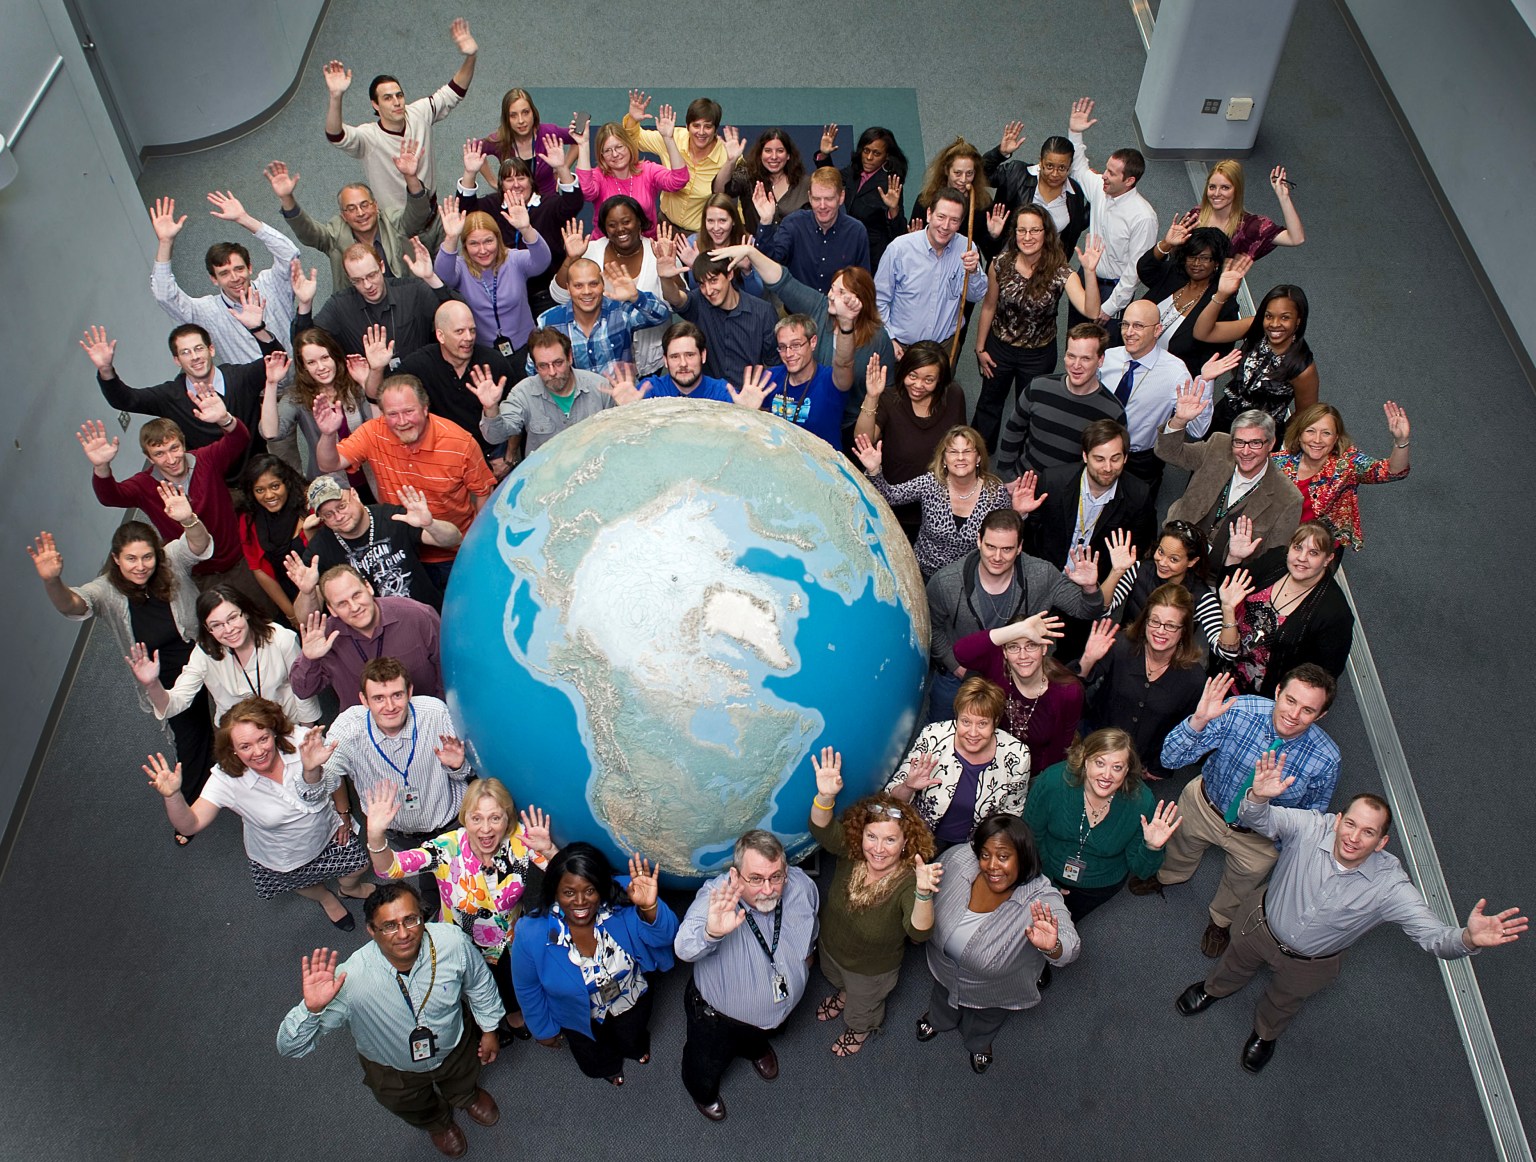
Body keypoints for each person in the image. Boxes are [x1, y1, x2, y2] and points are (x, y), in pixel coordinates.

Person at [1175, 766, 1525, 1074]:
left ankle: (1265, 1033)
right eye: (1351, 824)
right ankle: (1213, 990)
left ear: (1382, 842)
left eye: (1368, 833)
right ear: (1339, 820)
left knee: (1284, 1001)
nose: (1353, 838)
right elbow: (1259, 819)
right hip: (1259, 925)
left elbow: (1432, 936)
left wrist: (1467, 938)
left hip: (1312, 963)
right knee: (1233, 962)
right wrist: (1257, 798)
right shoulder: (1313, 827)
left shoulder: (1391, 885)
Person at [276, 882, 505, 1159]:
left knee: (464, 1074)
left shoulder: (451, 942)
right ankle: (437, 1122)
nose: (404, 934)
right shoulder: (351, 979)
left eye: (411, 919)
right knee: (412, 1104)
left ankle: (465, 1095)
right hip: (392, 1069)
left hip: (454, 1044)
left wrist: (490, 1029)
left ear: (422, 917)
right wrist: (311, 1010)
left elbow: (479, 984)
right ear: (371, 931)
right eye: (389, 925)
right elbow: (291, 1047)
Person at [30, 500, 214, 840]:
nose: (141, 566)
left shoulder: (170, 561)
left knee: (239, 705)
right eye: (131, 558)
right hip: (161, 674)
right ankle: (191, 804)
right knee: (191, 736)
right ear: (116, 559)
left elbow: (199, 546)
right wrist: (53, 582)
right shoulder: (107, 589)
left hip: (206, 650)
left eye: (147, 557)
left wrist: (189, 520)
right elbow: (74, 605)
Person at [1142, 668, 1342, 961]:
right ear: (1277, 693)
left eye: (1308, 709)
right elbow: (1170, 758)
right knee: (1179, 849)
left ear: (1321, 715)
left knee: (1240, 887)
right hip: (1205, 806)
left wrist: (1275, 848)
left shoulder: (1327, 759)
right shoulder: (1240, 710)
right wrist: (1198, 721)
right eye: (1290, 700)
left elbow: (1311, 815)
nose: (1294, 714)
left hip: (1258, 838)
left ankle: (1220, 920)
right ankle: (1169, 876)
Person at [364, 777, 558, 1046]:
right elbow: (390, 868)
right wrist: (376, 836)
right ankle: (485, 1023)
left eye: (495, 818)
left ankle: (512, 1013)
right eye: (476, 818)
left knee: (509, 982)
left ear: (507, 818)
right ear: (464, 817)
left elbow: (563, 877)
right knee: (468, 985)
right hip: (460, 940)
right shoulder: (447, 848)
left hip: (508, 942)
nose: (486, 829)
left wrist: (549, 850)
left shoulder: (520, 841)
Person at [144, 697, 371, 927]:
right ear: (232, 750)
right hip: (284, 853)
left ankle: (348, 889)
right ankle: (325, 898)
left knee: (359, 865)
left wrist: (343, 813)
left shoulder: (302, 740)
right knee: (304, 883)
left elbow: (334, 780)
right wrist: (173, 796)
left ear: (274, 732)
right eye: (245, 746)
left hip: (328, 830)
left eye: (263, 739)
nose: (259, 751)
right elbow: (189, 825)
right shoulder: (225, 779)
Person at [674, 830, 819, 1121]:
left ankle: (756, 1049)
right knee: (705, 1064)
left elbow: (810, 931)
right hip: (717, 1020)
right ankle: (704, 1094)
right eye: (756, 879)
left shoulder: (802, 887)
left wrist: (804, 964)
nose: (768, 889)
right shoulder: (716, 899)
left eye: (775, 877)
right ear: (736, 875)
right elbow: (684, 947)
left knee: (761, 1036)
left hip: (776, 1009)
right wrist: (711, 933)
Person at [918, 813, 1078, 1072]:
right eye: (985, 855)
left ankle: (978, 1043)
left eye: (1003, 856)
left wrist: (1053, 946)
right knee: (942, 996)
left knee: (986, 1018)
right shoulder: (959, 858)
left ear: (1023, 857)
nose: (992, 865)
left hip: (997, 989)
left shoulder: (1040, 897)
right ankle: (938, 1019)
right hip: (945, 969)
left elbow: (1071, 947)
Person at [807, 747, 940, 1056]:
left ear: (906, 842)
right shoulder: (853, 851)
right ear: (861, 835)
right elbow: (820, 827)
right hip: (833, 947)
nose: (878, 849)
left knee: (861, 1008)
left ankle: (859, 1030)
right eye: (872, 837)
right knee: (836, 978)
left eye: (890, 840)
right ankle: (842, 993)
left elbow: (920, 934)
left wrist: (923, 894)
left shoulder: (909, 880)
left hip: (871, 971)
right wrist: (825, 797)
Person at [511, 844, 680, 1085]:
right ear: (554, 891)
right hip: (579, 1016)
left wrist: (649, 908)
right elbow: (527, 988)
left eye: (589, 890)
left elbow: (666, 938)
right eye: (569, 892)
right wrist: (544, 1030)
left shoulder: (628, 893)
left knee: (632, 1033)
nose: (580, 902)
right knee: (592, 1051)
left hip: (630, 996)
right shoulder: (531, 933)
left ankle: (634, 1049)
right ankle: (608, 1069)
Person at [79, 389, 268, 599]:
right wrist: (101, 467)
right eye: (159, 454)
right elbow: (110, 497)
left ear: (183, 443)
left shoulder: (207, 459)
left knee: (263, 609)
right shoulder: (144, 484)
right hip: (197, 573)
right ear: (149, 458)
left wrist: (225, 419)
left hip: (237, 557)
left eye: (174, 448)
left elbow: (239, 440)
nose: (170, 459)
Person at [926, 509, 1104, 721]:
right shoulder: (947, 581)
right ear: (979, 541)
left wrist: (1090, 588)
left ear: (1019, 547)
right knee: (938, 732)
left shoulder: (1041, 574)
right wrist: (956, 667)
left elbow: (1085, 610)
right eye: (991, 547)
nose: (997, 557)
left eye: (1007, 549)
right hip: (960, 675)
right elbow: (932, 628)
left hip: (1020, 677)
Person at [315, 374, 497, 577]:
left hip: (454, 552)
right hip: (402, 551)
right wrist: (328, 434)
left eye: (409, 411)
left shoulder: (460, 443)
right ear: (382, 414)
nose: (402, 422)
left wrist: (478, 544)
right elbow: (328, 463)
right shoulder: (373, 433)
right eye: (392, 414)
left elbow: (483, 493)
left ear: (425, 408)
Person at [709, 240, 895, 437]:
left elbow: (877, 387)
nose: (831, 296)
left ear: (861, 299)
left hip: (853, 425)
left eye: (841, 292)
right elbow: (784, 282)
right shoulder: (821, 308)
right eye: (832, 288)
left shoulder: (878, 339)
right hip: (812, 418)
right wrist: (751, 252)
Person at [970, 208, 1102, 451]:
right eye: (1022, 230)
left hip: (1038, 355)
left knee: (1030, 409)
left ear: (1046, 234)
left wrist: (1090, 273)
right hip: (999, 348)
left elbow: (1091, 310)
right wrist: (980, 348)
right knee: (988, 404)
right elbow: (988, 306)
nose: (1027, 236)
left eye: (1034, 230)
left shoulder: (1060, 270)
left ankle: (1020, 463)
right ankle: (978, 457)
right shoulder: (1000, 263)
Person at [1025, 730, 1179, 928]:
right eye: (1100, 763)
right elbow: (1030, 836)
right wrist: (1045, 880)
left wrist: (1152, 848)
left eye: (1117, 767)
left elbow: (1141, 871)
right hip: (1045, 870)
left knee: (1067, 924)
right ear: (1084, 759)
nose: (1107, 775)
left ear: (1127, 771)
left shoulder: (1141, 802)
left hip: (1098, 884)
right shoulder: (1053, 781)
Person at [322, 20, 478, 211]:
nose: (396, 102)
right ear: (375, 104)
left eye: (399, 95)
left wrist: (471, 56)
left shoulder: (419, 113)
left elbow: (454, 92)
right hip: (397, 222)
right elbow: (335, 135)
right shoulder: (368, 137)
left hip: (430, 209)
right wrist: (336, 96)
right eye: (387, 98)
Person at [82, 320, 282, 465]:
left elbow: (276, 359)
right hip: (214, 481)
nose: (195, 357)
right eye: (186, 352)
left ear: (211, 350)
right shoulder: (170, 396)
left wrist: (258, 329)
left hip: (258, 468)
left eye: (198, 349)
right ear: (177, 360)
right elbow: (126, 400)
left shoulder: (241, 377)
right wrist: (106, 370)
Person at [129, 585, 320, 732]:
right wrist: (152, 684)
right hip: (240, 740)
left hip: (289, 726)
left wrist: (306, 736)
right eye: (217, 625)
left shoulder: (280, 639)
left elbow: (302, 692)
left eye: (232, 618)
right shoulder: (204, 653)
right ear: (207, 629)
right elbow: (174, 704)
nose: (228, 630)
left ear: (245, 612)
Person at [855, 424, 1029, 579]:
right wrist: (874, 470)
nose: (960, 457)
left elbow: (1007, 533)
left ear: (978, 458)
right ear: (944, 459)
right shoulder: (930, 483)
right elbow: (890, 496)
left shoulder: (995, 492)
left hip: (968, 579)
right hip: (925, 575)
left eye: (967, 451)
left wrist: (1019, 513)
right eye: (953, 452)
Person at [1157, 394, 1303, 576]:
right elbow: (1168, 452)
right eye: (1239, 442)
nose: (1246, 451)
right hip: (1170, 557)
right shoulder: (1218, 445)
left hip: (1217, 580)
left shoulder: (1288, 498)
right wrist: (1179, 421)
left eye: (1256, 443)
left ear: (1271, 443)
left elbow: (1272, 560)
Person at [146, 192, 300, 364]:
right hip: (258, 390)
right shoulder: (208, 312)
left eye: (239, 269)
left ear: (250, 268)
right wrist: (166, 242)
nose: (235, 278)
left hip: (305, 380)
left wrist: (244, 219)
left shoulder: (271, 284)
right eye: (224, 273)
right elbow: (164, 295)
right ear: (214, 279)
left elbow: (289, 255)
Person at [1076, 586, 1207, 778]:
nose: (1160, 631)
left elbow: (1184, 730)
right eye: (1154, 621)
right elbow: (1073, 689)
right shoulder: (1120, 646)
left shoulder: (1193, 678)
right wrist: (1087, 660)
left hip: (1140, 765)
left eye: (1170, 625)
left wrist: (1159, 766)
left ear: (1184, 631)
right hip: (1095, 748)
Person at [1098, 300, 1229, 491]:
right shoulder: (1109, 357)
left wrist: (1205, 383)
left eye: (1138, 326)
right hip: (1098, 447)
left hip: (1139, 461)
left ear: (1157, 330)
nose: (1129, 332)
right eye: (1125, 324)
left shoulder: (1175, 372)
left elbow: (1197, 430)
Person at [886, 676, 1031, 845]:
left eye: (982, 723)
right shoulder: (933, 736)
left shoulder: (1017, 755)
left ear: (995, 722)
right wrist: (908, 787)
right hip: (917, 836)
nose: (973, 732)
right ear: (957, 717)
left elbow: (1011, 814)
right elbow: (890, 800)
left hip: (974, 846)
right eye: (965, 721)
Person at [1216, 521, 1355, 697]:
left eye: (1313, 553)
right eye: (1297, 548)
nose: (1302, 558)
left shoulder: (1335, 614)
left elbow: (1323, 678)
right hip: (1220, 670)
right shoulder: (1275, 561)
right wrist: (1234, 559)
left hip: (1264, 700)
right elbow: (1225, 595)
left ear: (1328, 559)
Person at [1019, 420, 1157, 597]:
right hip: (1044, 574)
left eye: (1115, 459)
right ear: (1085, 456)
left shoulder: (1138, 495)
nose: (1108, 468)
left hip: (1090, 587)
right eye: (1099, 459)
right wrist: (1021, 514)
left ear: (1126, 458)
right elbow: (1031, 534)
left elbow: (1139, 544)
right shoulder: (1054, 481)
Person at [266, 149, 442, 288]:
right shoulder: (335, 234)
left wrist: (410, 177)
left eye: (365, 205)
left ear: (375, 205)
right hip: (361, 309)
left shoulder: (393, 220)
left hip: (405, 296)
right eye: (351, 209)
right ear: (343, 215)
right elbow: (309, 232)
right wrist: (287, 198)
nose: (360, 213)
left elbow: (419, 214)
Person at [456, 137, 583, 320]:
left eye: (521, 178)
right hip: (503, 294)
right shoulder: (492, 205)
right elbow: (465, 210)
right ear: (501, 185)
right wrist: (470, 172)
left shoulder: (548, 204)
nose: (516, 184)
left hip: (544, 293)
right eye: (509, 179)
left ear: (531, 181)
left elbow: (573, 203)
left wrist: (562, 168)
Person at [1064, 98, 1159, 343]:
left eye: (1111, 174)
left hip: (1113, 291)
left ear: (1130, 181)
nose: (1103, 176)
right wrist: (1075, 132)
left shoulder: (1143, 217)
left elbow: (1134, 271)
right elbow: (1079, 168)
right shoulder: (1100, 188)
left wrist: (1110, 307)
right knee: (1074, 339)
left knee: (1102, 350)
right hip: (1087, 278)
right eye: (1106, 169)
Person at [292, 478, 459, 613]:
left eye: (341, 506)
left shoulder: (390, 517)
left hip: (426, 613)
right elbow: (304, 619)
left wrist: (430, 525)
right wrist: (307, 593)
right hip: (378, 632)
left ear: (354, 494)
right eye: (328, 514)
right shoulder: (320, 547)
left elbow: (454, 539)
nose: (338, 516)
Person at [1192, 255, 1318, 431]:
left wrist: (1277, 440)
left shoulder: (1303, 368)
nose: (1274, 324)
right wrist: (1221, 294)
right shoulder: (1255, 328)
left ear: (1298, 321)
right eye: (1269, 316)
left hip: (1258, 438)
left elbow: (1305, 416)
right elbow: (1202, 332)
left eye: (1285, 318)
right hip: (1223, 419)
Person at [549, 198, 672, 375]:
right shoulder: (589, 250)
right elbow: (559, 296)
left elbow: (672, 308)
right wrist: (572, 258)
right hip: (600, 367)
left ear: (639, 221)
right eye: (612, 224)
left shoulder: (660, 252)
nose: (620, 229)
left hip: (650, 359)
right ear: (604, 228)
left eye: (626, 221)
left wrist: (637, 295)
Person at [291, 565, 443, 707]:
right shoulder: (324, 637)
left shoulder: (417, 615)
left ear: (368, 587)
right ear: (332, 609)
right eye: (342, 603)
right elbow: (303, 691)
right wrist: (310, 659)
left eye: (356, 595)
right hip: (363, 730)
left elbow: (450, 670)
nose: (355, 607)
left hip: (424, 720)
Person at [1271, 402, 1413, 552]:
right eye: (1310, 431)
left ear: (1336, 438)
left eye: (1326, 433)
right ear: (1299, 434)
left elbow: (1393, 472)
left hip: (1319, 551)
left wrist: (1401, 441)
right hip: (1277, 542)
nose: (1317, 440)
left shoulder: (1347, 464)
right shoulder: (1278, 462)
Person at [854, 344, 964, 534]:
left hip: (937, 506)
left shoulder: (953, 395)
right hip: (892, 504)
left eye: (928, 379)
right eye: (912, 376)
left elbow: (962, 442)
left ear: (940, 380)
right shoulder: (890, 398)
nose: (919, 385)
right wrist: (872, 396)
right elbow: (864, 439)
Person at [398, 300, 521, 470]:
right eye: (459, 331)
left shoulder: (494, 362)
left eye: (472, 330)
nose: (469, 338)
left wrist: (509, 457)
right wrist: (375, 369)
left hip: (495, 456)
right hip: (448, 462)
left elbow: (518, 413)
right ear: (441, 336)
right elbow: (380, 395)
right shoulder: (419, 364)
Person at [952, 615, 1085, 771]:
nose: (1023, 656)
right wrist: (1016, 630)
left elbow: (1059, 748)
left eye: (1031, 645)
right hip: (987, 758)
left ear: (1044, 648)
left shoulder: (1067, 692)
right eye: (1013, 647)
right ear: (1005, 652)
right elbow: (961, 652)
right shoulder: (996, 664)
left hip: (1033, 772)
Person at [433, 197, 549, 370]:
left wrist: (526, 229)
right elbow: (443, 275)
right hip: (483, 354)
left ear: (498, 239)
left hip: (526, 348)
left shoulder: (513, 260)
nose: (483, 250)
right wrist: (451, 238)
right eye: (474, 243)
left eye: (488, 241)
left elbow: (542, 261)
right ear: (464, 246)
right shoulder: (460, 267)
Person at [996, 323, 1125, 475]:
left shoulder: (1113, 412)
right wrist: (1007, 476)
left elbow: (1108, 467)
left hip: (1069, 495)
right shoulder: (1038, 387)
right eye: (1071, 356)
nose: (1076, 365)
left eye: (1085, 359)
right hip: (1024, 484)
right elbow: (1013, 429)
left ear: (1100, 360)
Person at [263, 326, 379, 492]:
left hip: (371, 478)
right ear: (304, 367)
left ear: (335, 356)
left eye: (325, 358)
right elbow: (271, 433)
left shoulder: (356, 384)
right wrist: (271, 383)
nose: (321, 367)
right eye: (311, 362)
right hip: (330, 487)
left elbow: (380, 429)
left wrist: (366, 383)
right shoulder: (297, 397)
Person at [476, 326, 615, 462]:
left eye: (558, 363)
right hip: (546, 478)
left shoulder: (599, 387)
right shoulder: (523, 393)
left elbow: (620, 435)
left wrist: (629, 405)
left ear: (570, 357)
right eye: (543, 366)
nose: (552, 372)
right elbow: (496, 436)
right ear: (535, 366)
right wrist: (491, 409)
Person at [293, 242, 452, 361]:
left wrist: (431, 278)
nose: (367, 285)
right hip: (369, 393)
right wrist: (305, 304)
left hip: (418, 383)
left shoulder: (413, 291)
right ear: (349, 279)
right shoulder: (339, 305)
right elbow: (303, 345)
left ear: (381, 266)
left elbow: (457, 316)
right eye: (358, 280)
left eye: (371, 275)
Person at [873, 186, 988, 348]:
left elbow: (975, 296)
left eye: (954, 220)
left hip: (945, 347)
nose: (946, 226)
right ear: (929, 214)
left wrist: (974, 272)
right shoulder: (899, 249)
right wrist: (889, 338)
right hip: (902, 347)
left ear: (961, 223)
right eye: (941, 217)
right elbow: (878, 299)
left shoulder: (967, 247)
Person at [655, 251, 780, 387]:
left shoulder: (763, 312)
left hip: (747, 396)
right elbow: (676, 299)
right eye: (702, 284)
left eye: (713, 280)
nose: (708, 290)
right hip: (709, 398)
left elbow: (774, 364)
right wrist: (665, 278)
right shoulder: (699, 302)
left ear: (730, 274)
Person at [1135, 217, 1236, 376]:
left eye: (1204, 258)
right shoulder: (1174, 274)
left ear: (1216, 262)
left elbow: (1214, 358)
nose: (1196, 263)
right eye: (1192, 256)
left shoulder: (1222, 304)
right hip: (1133, 356)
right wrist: (1166, 244)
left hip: (1169, 378)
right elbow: (1145, 269)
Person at [1106, 520, 1225, 652]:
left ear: (1192, 561)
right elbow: (1102, 609)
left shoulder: (1202, 597)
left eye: (1173, 559)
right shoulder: (1139, 569)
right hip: (1127, 650)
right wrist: (1116, 572)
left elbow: (1224, 651)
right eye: (1161, 552)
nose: (1162, 562)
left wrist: (1228, 608)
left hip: (1166, 663)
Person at [751, 166, 871, 293]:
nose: (822, 206)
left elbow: (863, 283)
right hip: (795, 311)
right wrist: (766, 221)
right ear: (809, 197)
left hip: (840, 310)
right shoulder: (793, 224)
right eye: (816, 199)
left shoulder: (856, 231)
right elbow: (770, 262)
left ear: (841, 197)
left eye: (829, 199)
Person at [622, 91, 729, 232]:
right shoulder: (672, 137)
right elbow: (635, 139)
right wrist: (632, 119)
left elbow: (737, 198)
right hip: (664, 225)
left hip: (700, 235)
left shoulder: (727, 155)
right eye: (696, 126)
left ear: (715, 129)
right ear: (687, 126)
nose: (701, 132)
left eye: (708, 127)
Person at [572, 115, 688, 236]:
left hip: (645, 243)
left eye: (619, 147)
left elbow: (679, 181)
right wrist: (583, 144)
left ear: (629, 145)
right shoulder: (598, 176)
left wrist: (668, 139)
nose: (615, 154)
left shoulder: (647, 170)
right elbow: (586, 192)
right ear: (602, 156)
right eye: (607, 150)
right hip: (606, 244)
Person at [814, 124, 908, 270]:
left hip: (874, 257)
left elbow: (899, 234)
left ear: (887, 156)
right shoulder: (855, 171)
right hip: (850, 248)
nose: (869, 158)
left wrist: (893, 208)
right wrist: (824, 155)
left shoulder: (890, 184)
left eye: (876, 154)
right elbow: (831, 181)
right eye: (866, 151)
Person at [983, 124, 1090, 251]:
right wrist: (1000, 153)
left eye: (1062, 168)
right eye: (1049, 166)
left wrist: (1099, 196)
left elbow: (1077, 224)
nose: (1055, 174)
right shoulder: (1016, 174)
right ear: (1040, 161)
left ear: (1070, 166)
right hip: (1008, 257)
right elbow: (982, 176)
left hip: (1047, 265)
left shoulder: (1075, 192)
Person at [757, 312, 855, 446]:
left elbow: (844, 363)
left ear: (813, 342)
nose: (789, 354)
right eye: (782, 347)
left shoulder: (830, 380)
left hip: (823, 463)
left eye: (796, 345)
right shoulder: (770, 377)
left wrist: (846, 326)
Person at [1188, 159, 1306, 263]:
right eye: (1212, 187)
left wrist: (1283, 197)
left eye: (1225, 187)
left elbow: (1296, 239)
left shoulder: (1251, 226)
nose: (1216, 193)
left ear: (1237, 190)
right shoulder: (1196, 214)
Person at [474, 87, 578, 200]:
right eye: (513, 115)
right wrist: (493, 182)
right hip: (515, 204)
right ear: (506, 119)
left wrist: (563, 169)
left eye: (525, 112)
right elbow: (474, 149)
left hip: (548, 205)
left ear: (533, 113)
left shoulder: (548, 133)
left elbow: (577, 139)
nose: (521, 121)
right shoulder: (500, 141)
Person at [910, 137, 1002, 261]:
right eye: (957, 173)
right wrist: (914, 241)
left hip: (966, 269)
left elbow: (991, 256)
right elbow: (913, 250)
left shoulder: (982, 203)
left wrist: (994, 236)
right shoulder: (926, 199)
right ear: (946, 170)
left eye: (969, 173)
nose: (963, 180)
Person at [716, 126, 810, 232]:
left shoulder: (804, 183)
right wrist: (731, 161)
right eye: (768, 151)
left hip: (794, 247)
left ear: (788, 155)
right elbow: (719, 191)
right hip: (755, 247)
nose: (774, 156)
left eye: (780, 151)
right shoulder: (748, 177)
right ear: (760, 154)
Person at [637, 322, 736, 402]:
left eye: (690, 355)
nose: (683, 364)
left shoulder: (722, 393)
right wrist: (627, 407)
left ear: (703, 356)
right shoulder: (650, 389)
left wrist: (748, 411)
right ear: (666, 360)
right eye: (675, 357)